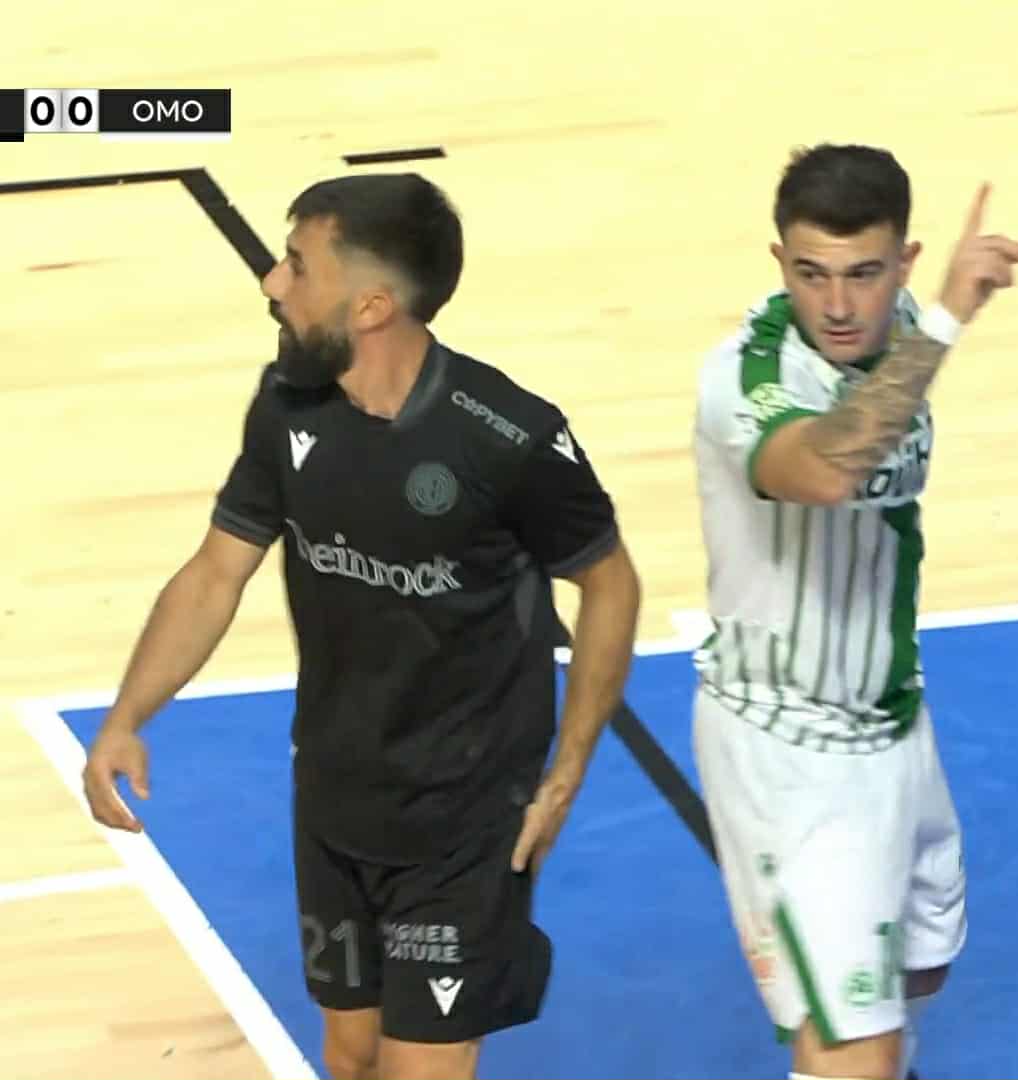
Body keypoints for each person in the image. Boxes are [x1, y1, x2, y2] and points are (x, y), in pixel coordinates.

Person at [80, 173, 641, 1080]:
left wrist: (567, 767)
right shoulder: (287, 405)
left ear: (372, 305)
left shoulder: (507, 437)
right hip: (336, 792)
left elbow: (609, 584)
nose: (273, 282)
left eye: (298, 266)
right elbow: (217, 571)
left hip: (468, 816)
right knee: (350, 1056)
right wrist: (126, 716)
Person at [689, 144, 1018, 1080]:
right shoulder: (747, 376)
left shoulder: (900, 334)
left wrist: (932, 321)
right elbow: (822, 470)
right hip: (786, 745)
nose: (837, 305)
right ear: (779, 263)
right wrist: (952, 314)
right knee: (853, 1049)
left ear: (904, 263)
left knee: (920, 970)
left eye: (863, 274)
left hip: (890, 720)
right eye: (811, 275)